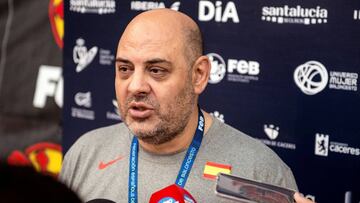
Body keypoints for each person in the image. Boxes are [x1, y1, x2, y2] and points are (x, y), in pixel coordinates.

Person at [60, 9, 300, 202]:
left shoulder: (260, 172)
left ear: (198, 75)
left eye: (156, 70)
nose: (135, 86)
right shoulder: (85, 153)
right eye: (125, 69)